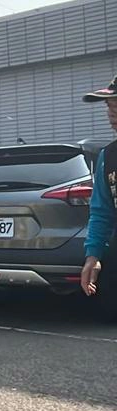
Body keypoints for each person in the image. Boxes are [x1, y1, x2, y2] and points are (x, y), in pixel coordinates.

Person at [80, 75, 117, 310]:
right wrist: (93, 256)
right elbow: (102, 211)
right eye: (110, 106)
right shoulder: (109, 156)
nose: (112, 114)